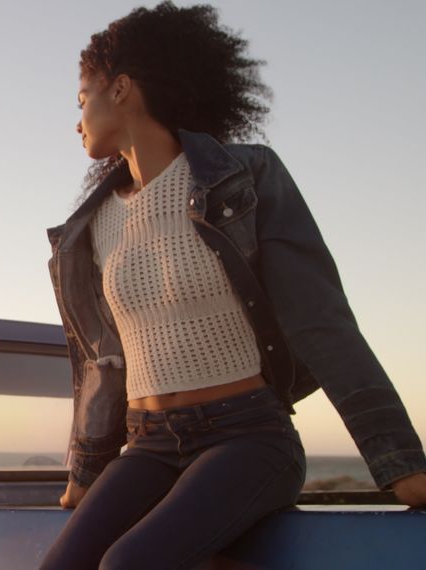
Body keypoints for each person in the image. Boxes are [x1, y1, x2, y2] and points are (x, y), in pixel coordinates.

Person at [40, 2, 426, 568]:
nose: (76, 121)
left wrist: (400, 462)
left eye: (82, 100)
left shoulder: (245, 178)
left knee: (128, 563)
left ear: (120, 88)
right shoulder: (88, 228)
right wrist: (86, 471)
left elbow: (320, 319)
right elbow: (101, 362)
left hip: (246, 435)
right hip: (147, 441)